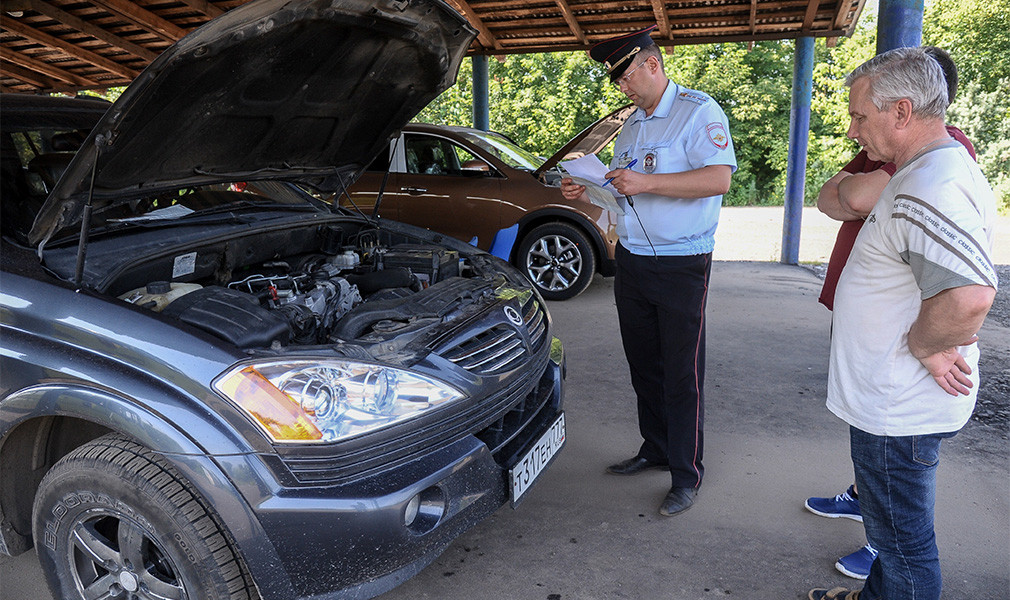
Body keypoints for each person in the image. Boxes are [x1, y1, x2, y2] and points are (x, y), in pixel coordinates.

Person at [807, 47, 998, 600]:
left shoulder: (929, 184)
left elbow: (968, 298)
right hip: (893, 402)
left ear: (902, 111)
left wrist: (927, 344)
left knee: (903, 549)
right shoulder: (928, 170)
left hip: (898, 406)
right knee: (894, 540)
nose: (851, 129)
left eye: (860, 116)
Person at [560, 25, 737, 516]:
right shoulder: (633, 124)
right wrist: (589, 189)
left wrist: (647, 181)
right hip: (634, 260)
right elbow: (625, 191)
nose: (622, 87)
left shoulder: (697, 112)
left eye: (626, 77)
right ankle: (655, 448)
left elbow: (718, 178)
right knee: (644, 365)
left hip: (682, 264)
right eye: (617, 81)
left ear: (652, 65)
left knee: (683, 374)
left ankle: (686, 474)